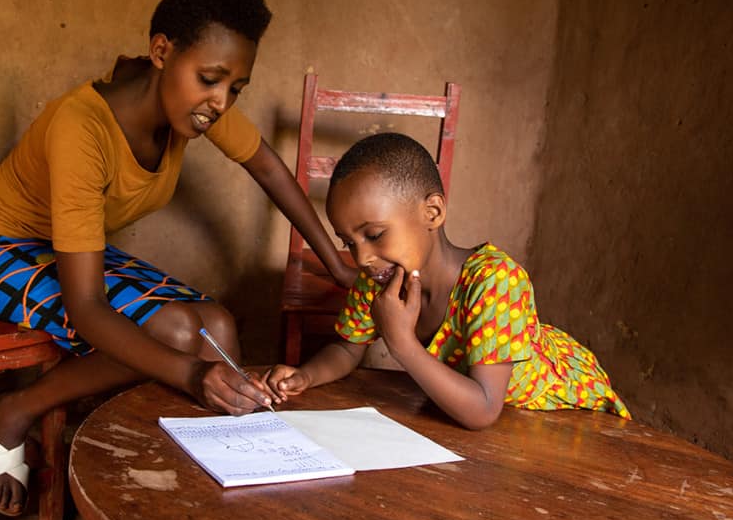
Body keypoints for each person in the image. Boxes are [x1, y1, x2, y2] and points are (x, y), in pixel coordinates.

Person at [0, 0, 356, 516]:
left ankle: (211, 495)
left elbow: (271, 170)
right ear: (162, 51)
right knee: (183, 334)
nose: (220, 101)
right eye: (210, 79)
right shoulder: (81, 127)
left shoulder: (196, 109)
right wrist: (193, 374)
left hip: (68, 247)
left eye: (235, 88)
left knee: (220, 327)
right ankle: (12, 411)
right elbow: (86, 309)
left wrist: (338, 265)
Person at [262, 132, 630, 429]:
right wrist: (306, 376)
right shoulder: (379, 277)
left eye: (373, 235)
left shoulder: (495, 281)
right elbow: (347, 350)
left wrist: (402, 343)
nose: (361, 257)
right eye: (348, 242)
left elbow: (484, 410)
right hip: (506, 424)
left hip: (568, 415)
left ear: (432, 212)